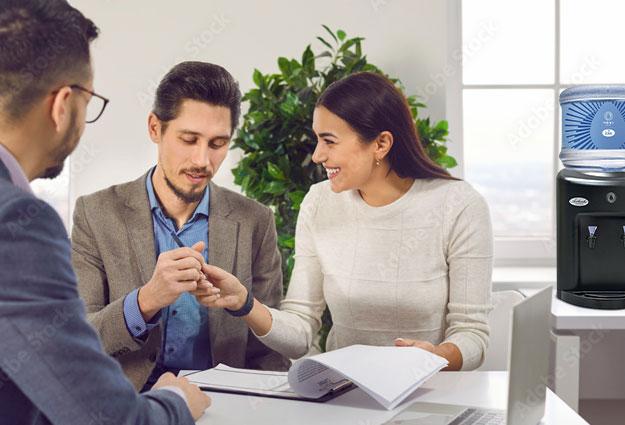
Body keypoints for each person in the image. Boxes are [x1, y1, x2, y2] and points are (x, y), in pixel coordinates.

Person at [197, 72, 494, 371]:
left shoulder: (458, 205)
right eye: (317, 139)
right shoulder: (319, 203)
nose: (316, 156)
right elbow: (300, 332)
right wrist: (245, 303)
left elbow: (472, 334)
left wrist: (436, 357)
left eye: (329, 141)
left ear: (381, 144)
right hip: (345, 395)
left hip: (431, 391)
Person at [0, 1, 210, 424]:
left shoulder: (250, 218)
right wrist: (176, 402)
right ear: (62, 105)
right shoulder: (18, 223)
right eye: (89, 99)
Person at [71, 61, 290, 391]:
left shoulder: (254, 221)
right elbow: (78, 339)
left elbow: (268, 350)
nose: (203, 160)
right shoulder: (96, 213)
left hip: (224, 406)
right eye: (189, 139)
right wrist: (146, 300)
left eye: (217, 144)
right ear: (155, 128)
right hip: (129, 405)